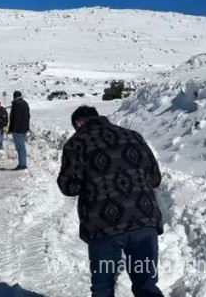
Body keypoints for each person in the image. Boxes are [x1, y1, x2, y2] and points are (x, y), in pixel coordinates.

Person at [57, 106, 164, 297]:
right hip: (144, 220)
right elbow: (155, 178)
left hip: (103, 226)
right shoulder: (133, 136)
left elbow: (69, 187)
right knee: (146, 285)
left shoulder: (76, 144)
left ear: (78, 123)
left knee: (103, 288)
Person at [8, 90, 31, 170]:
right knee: (22, 146)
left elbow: (14, 118)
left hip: (17, 129)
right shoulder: (25, 103)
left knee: (20, 147)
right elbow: (28, 116)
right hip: (24, 128)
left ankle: (22, 165)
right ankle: (22, 163)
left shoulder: (16, 105)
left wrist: (11, 129)